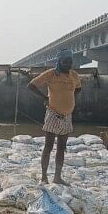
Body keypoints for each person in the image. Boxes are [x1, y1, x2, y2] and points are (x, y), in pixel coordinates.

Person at [28, 48, 82, 185]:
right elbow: (32, 85)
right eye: (65, 62)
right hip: (53, 114)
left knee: (61, 147)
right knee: (48, 146)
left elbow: (79, 88)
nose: (68, 64)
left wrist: (72, 99)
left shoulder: (74, 75)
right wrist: (44, 98)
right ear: (59, 62)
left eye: (69, 62)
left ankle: (57, 177)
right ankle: (44, 177)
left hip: (67, 116)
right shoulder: (51, 74)